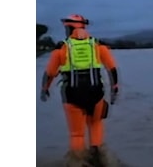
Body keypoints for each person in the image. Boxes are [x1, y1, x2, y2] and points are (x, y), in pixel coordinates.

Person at [40, 14, 120, 166]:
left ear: (70, 28)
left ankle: (78, 162)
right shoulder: (98, 45)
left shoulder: (61, 48)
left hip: (72, 96)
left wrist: (44, 89)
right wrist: (114, 89)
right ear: (83, 27)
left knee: (77, 134)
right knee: (96, 124)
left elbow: (49, 73)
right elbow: (112, 69)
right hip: (96, 93)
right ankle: (99, 158)